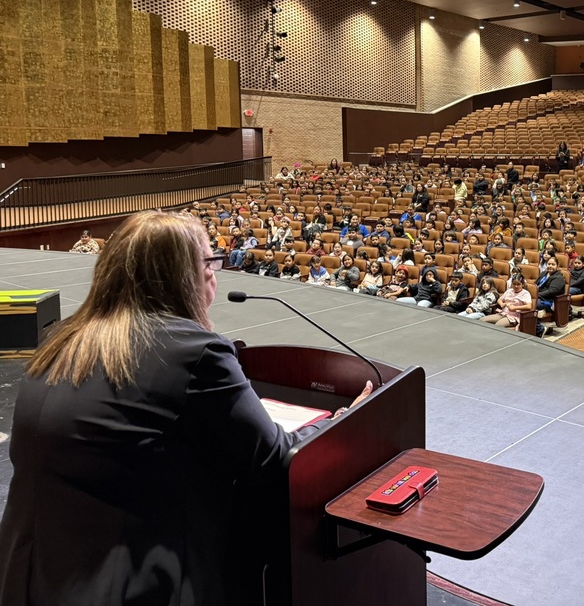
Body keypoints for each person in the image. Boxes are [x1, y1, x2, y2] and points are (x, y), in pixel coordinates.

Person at [0, 211, 373, 605]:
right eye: (209, 262)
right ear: (181, 274)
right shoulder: (192, 350)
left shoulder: (64, 340)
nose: (215, 273)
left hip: (31, 577)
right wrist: (345, 419)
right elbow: (277, 461)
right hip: (133, 585)